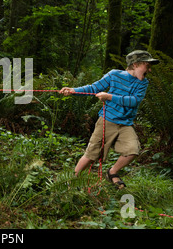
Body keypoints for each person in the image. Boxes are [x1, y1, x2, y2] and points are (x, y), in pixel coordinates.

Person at [59, 50, 159, 189]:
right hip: (107, 120)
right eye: (147, 65)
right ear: (135, 65)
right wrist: (74, 90)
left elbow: (134, 101)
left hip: (125, 124)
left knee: (133, 150)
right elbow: (94, 88)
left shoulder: (143, 83)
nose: (149, 69)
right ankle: (70, 180)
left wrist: (109, 96)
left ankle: (112, 173)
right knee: (91, 154)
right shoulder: (114, 75)